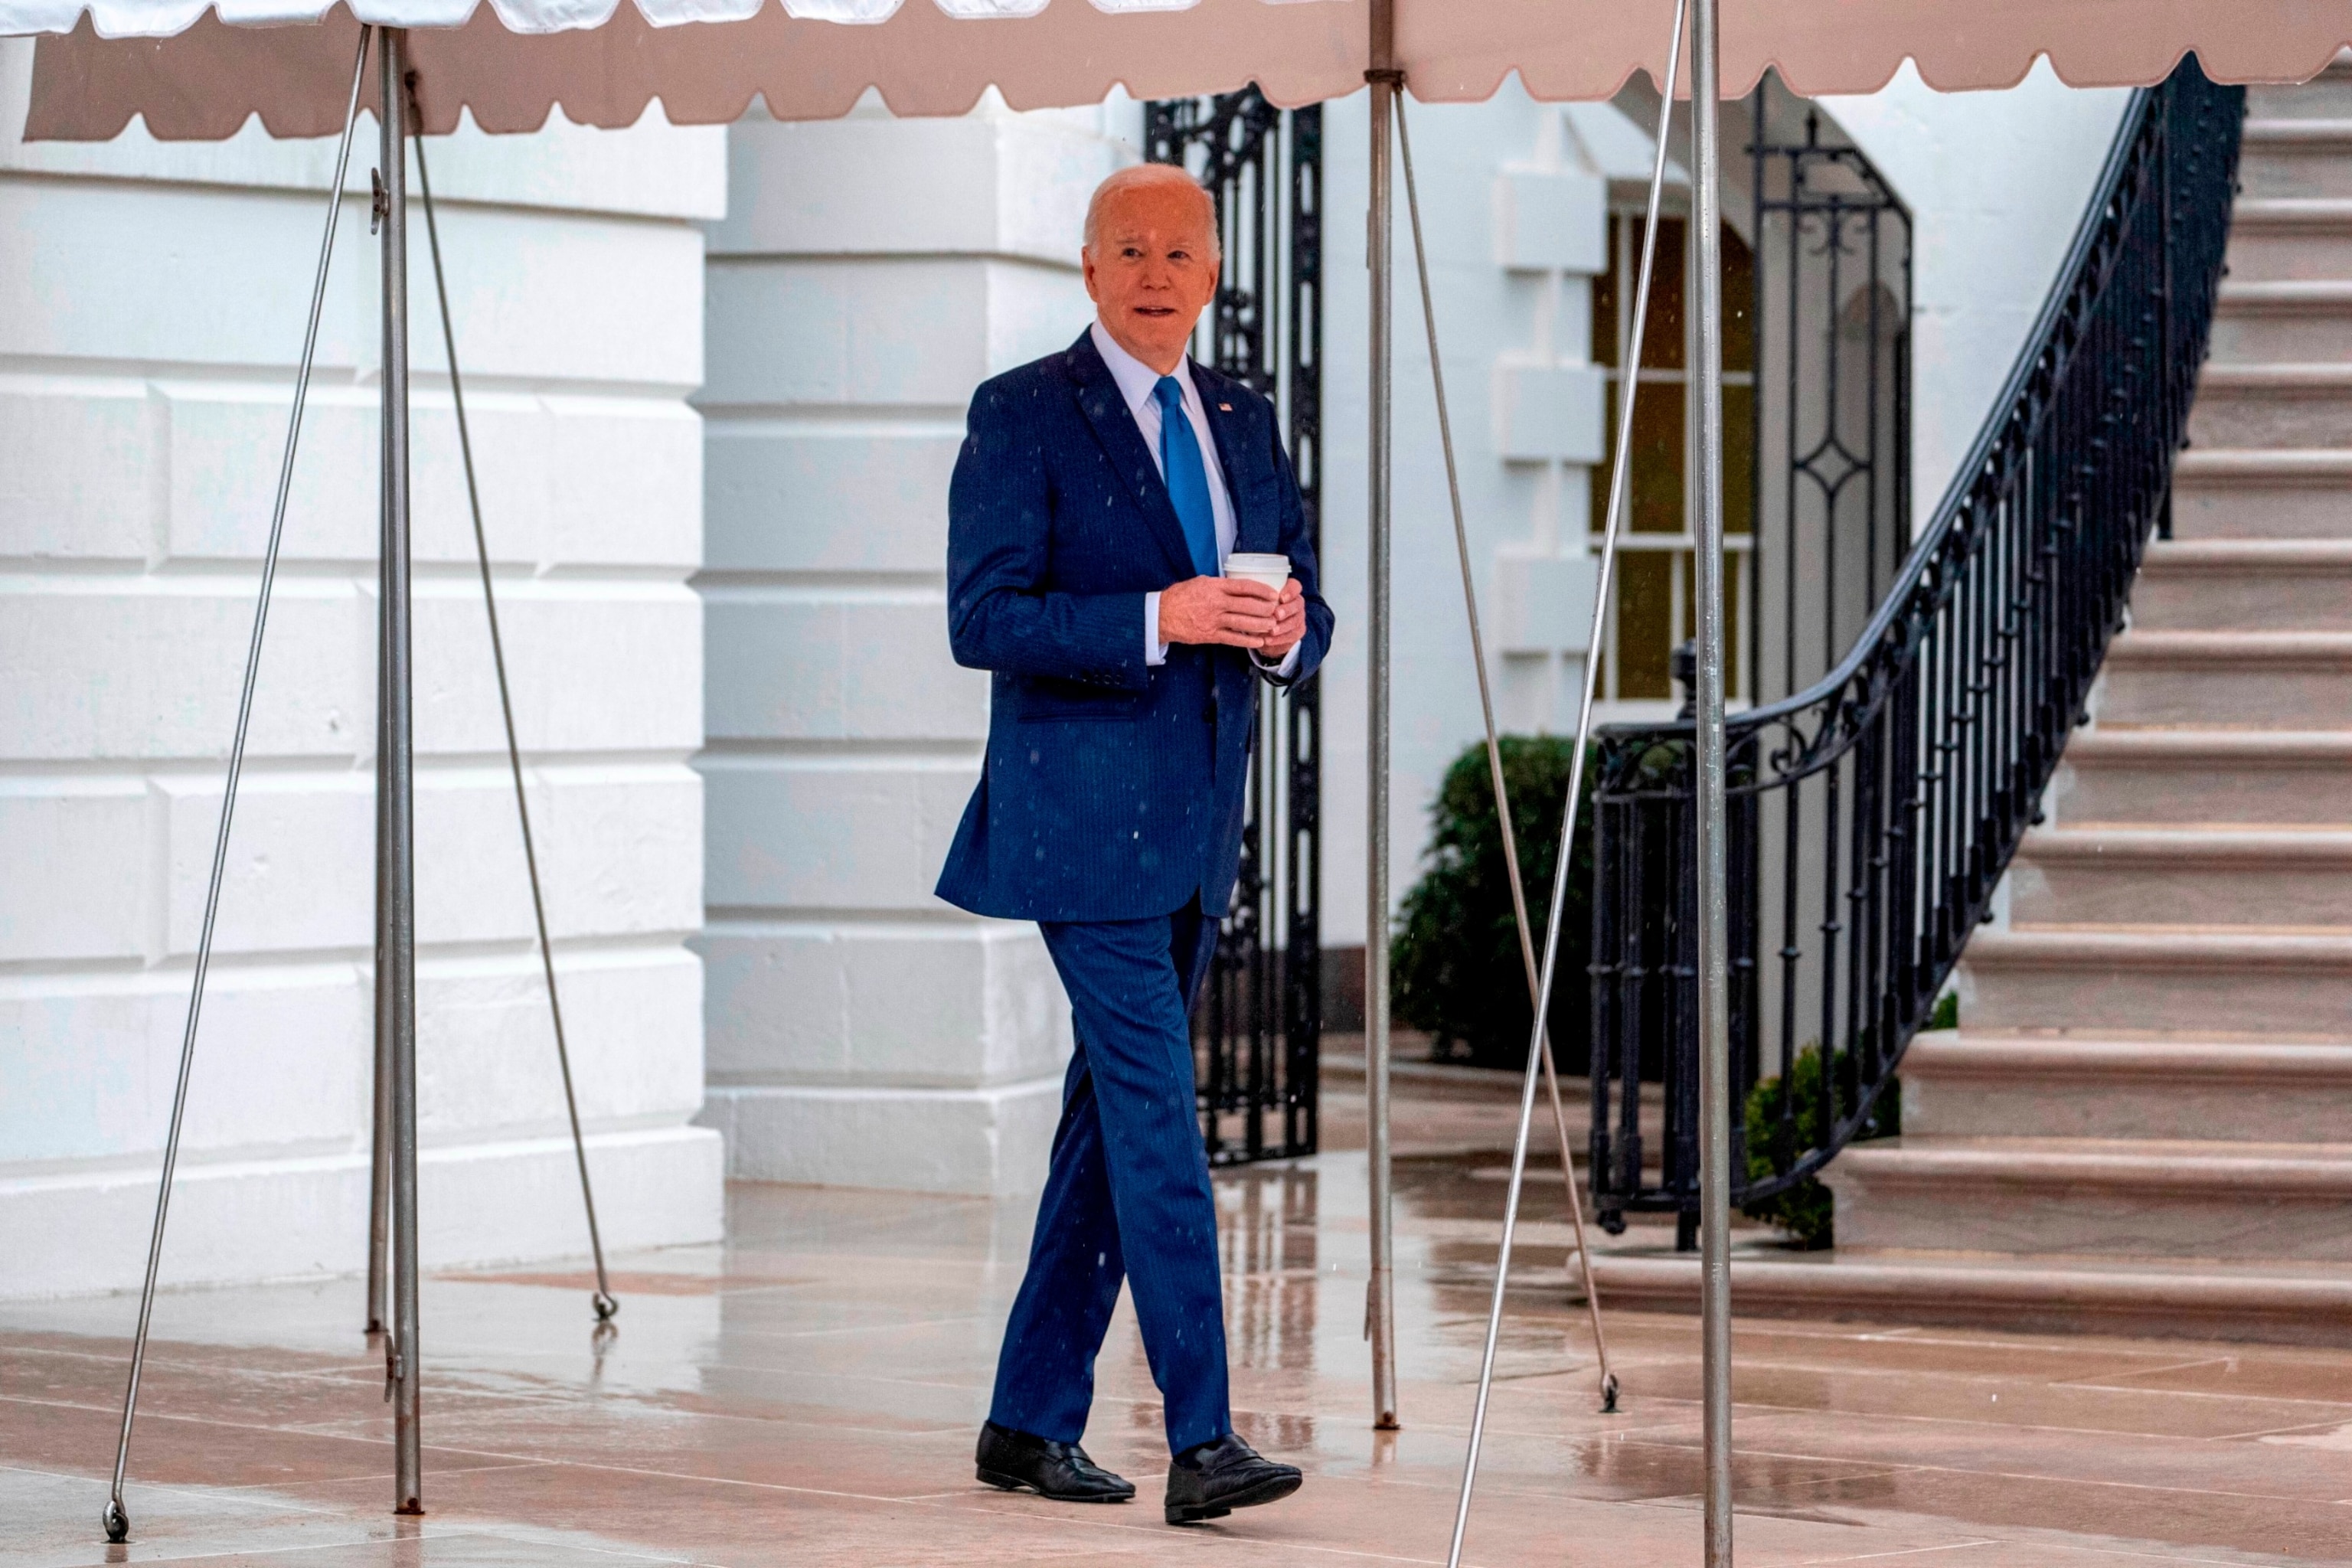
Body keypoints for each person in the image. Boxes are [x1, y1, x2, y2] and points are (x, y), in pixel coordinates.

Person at [934, 162, 1334, 1527]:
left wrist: (1290, 633)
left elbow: (1297, 592)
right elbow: (984, 620)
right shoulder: (1024, 414)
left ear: (1213, 272)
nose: (1156, 270)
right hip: (1082, 828)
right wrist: (1157, 616)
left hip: (1198, 823)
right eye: (1129, 247)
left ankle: (1025, 1421)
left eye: (1179, 249)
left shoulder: (1238, 415)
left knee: (1105, 1128)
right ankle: (1205, 1435)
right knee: (1160, 1115)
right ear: (1089, 268)